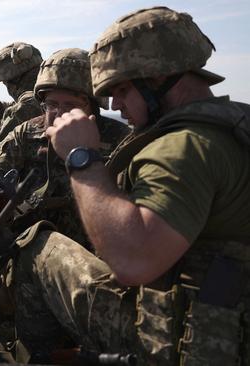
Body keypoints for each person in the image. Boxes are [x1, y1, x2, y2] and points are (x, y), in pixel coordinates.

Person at [16, 6, 250, 364]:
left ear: (155, 79)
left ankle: (37, 356)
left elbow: (132, 263)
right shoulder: (231, 128)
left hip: (180, 341)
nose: (114, 105)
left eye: (121, 90)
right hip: (226, 310)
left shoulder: (182, 148)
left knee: (37, 245)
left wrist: (81, 157)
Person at [0, 48, 130, 301]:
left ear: (92, 105)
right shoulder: (28, 132)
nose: (59, 114)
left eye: (71, 105)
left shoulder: (119, 142)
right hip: (19, 235)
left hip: (80, 250)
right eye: (51, 104)